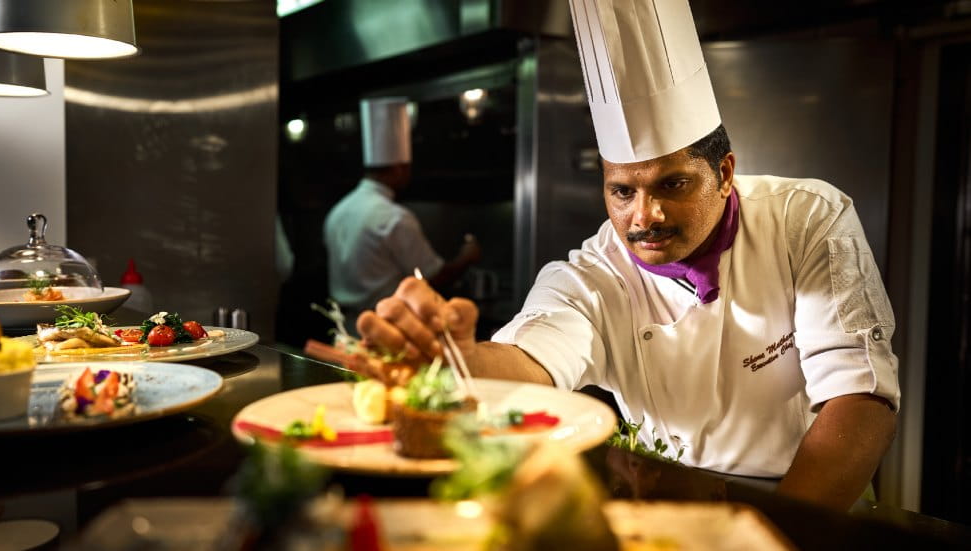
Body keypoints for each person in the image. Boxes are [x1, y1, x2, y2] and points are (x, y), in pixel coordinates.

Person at [353, 0, 899, 511]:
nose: (645, 216)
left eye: (673, 184)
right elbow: (531, 359)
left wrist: (780, 531)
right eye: (623, 191)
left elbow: (860, 398)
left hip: (813, 499)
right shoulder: (592, 275)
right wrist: (451, 364)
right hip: (667, 500)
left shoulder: (806, 218)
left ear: (725, 173)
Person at [323, 97, 481, 332]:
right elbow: (432, 278)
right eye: (407, 168)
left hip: (341, 329)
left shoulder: (338, 211)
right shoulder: (394, 217)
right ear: (399, 167)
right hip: (384, 331)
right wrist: (466, 257)